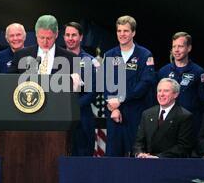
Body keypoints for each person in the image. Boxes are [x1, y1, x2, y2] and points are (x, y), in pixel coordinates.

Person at [104, 15, 157, 156]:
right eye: (119, 31)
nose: (122, 34)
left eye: (126, 31)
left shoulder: (145, 55)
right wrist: (112, 107)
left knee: (137, 154)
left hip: (137, 112)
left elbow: (145, 84)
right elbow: (106, 85)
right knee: (113, 156)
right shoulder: (110, 55)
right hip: (115, 113)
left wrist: (121, 99)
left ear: (133, 32)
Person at [158, 32, 204, 136]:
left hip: (191, 125)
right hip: (167, 124)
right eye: (174, 46)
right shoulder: (163, 71)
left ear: (189, 48)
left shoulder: (199, 72)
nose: (176, 50)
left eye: (180, 46)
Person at [133, 78, 194, 158]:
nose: (161, 94)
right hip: (146, 162)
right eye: (159, 91)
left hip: (169, 164)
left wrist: (158, 157)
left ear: (175, 94)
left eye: (166, 91)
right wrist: (139, 153)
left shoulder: (184, 116)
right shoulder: (147, 113)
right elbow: (139, 141)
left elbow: (183, 147)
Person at [63, 22, 98, 156]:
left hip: (82, 116)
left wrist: (73, 106)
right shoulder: (54, 60)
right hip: (59, 116)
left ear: (81, 37)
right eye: (67, 35)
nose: (70, 38)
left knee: (83, 156)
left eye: (74, 35)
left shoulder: (91, 61)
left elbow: (93, 91)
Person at [9, 15, 76, 75]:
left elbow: (80, 87)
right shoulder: (20, 55)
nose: (45, 42)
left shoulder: (71, 59)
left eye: (49, 38)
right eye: (41, 37)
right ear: (36, 34)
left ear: (56, 35)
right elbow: (8, 82)